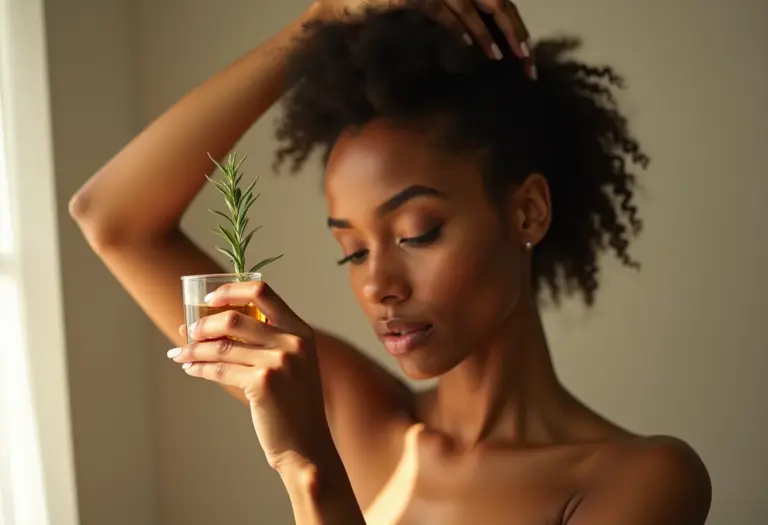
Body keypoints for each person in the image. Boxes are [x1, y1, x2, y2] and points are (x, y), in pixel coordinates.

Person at [69, 1, 712, 523]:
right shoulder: (359, 413)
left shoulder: (642, 481)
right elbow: (111, 219)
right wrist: (322, 20)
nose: (378, 284)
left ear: (527, 213)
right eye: (350, 250)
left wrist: (307, 465)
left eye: (417, 232)